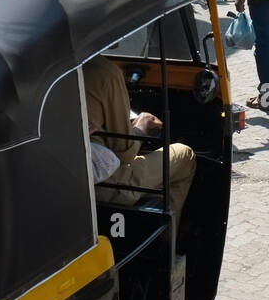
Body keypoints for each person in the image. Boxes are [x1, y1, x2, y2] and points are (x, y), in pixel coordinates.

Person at [83, 55, 195, 215]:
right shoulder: (103, 71)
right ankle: (167, 237)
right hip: (100, 185)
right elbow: (125, 153)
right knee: (185, 155)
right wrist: (141, 127)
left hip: (49, 179)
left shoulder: (37, 61)